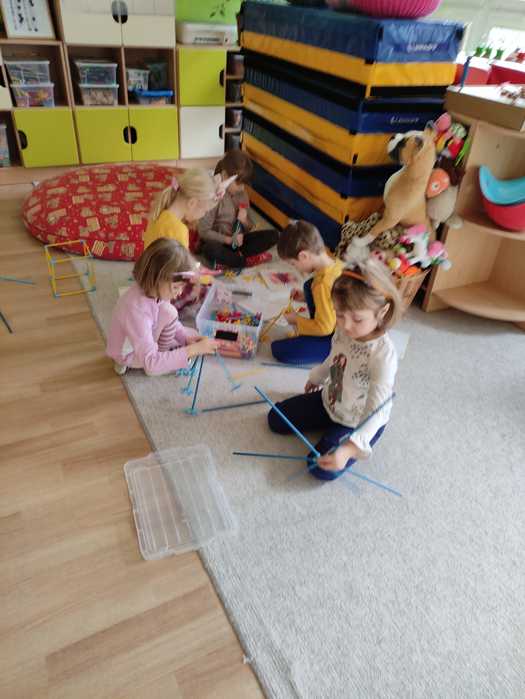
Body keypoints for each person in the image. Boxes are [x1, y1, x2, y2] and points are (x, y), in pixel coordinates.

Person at [267, 258, 402, 480]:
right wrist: (317, 377)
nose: (346, 325)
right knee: (275, 418)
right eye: (339, 315)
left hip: (358, 420)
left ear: (383, 311)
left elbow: (377, 411)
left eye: (357, 319)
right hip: (330, 400)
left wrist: (349, 449)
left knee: (319, 467)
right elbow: (334, 358)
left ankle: (355, 439)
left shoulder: (383, 356)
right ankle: (329, 424)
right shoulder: (344, 330)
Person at [107, 237, 218, 376]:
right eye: (176, 287)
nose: (180, 292)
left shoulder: (154, 290)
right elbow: (151, 364)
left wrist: (185, 338)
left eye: (181, 287)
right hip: (130, 354)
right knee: (171, 321)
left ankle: (165, 353)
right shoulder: (136, 310)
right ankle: (154, 359)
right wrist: (193, 350)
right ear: (157, 279)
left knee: (180, 323)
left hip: (144, 336)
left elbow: (169, 319)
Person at [271, 220, 343, 365]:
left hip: (339, 339)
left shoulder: (323, 284)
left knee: (279, 350)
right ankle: (314, 329)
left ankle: (331, 349)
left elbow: (325, 328)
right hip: (338, 321)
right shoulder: (334, 263)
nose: (294, 268)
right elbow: (331, 299)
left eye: (293, 264)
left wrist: (296, 320)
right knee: (308, 285)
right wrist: (305, 297)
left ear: (303, 256)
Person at [198, 150, 279, 268]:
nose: (242, 188)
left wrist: (245, 221)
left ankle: (233, 259)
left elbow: (250, 227)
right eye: (239, 183)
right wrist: (228, 240)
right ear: (225, 176)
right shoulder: (214, 196)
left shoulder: (243, 195)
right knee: (209, 249)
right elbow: (203, 231)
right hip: (219, 243)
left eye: (244, 184)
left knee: (274, 235)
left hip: (239, 243)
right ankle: (243, 261)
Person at [143, 168, 223, 252]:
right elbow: (182, 260)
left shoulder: (159, 213)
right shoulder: (179, 230)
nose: (203, 215)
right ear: (192, 203)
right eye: (205, 211)